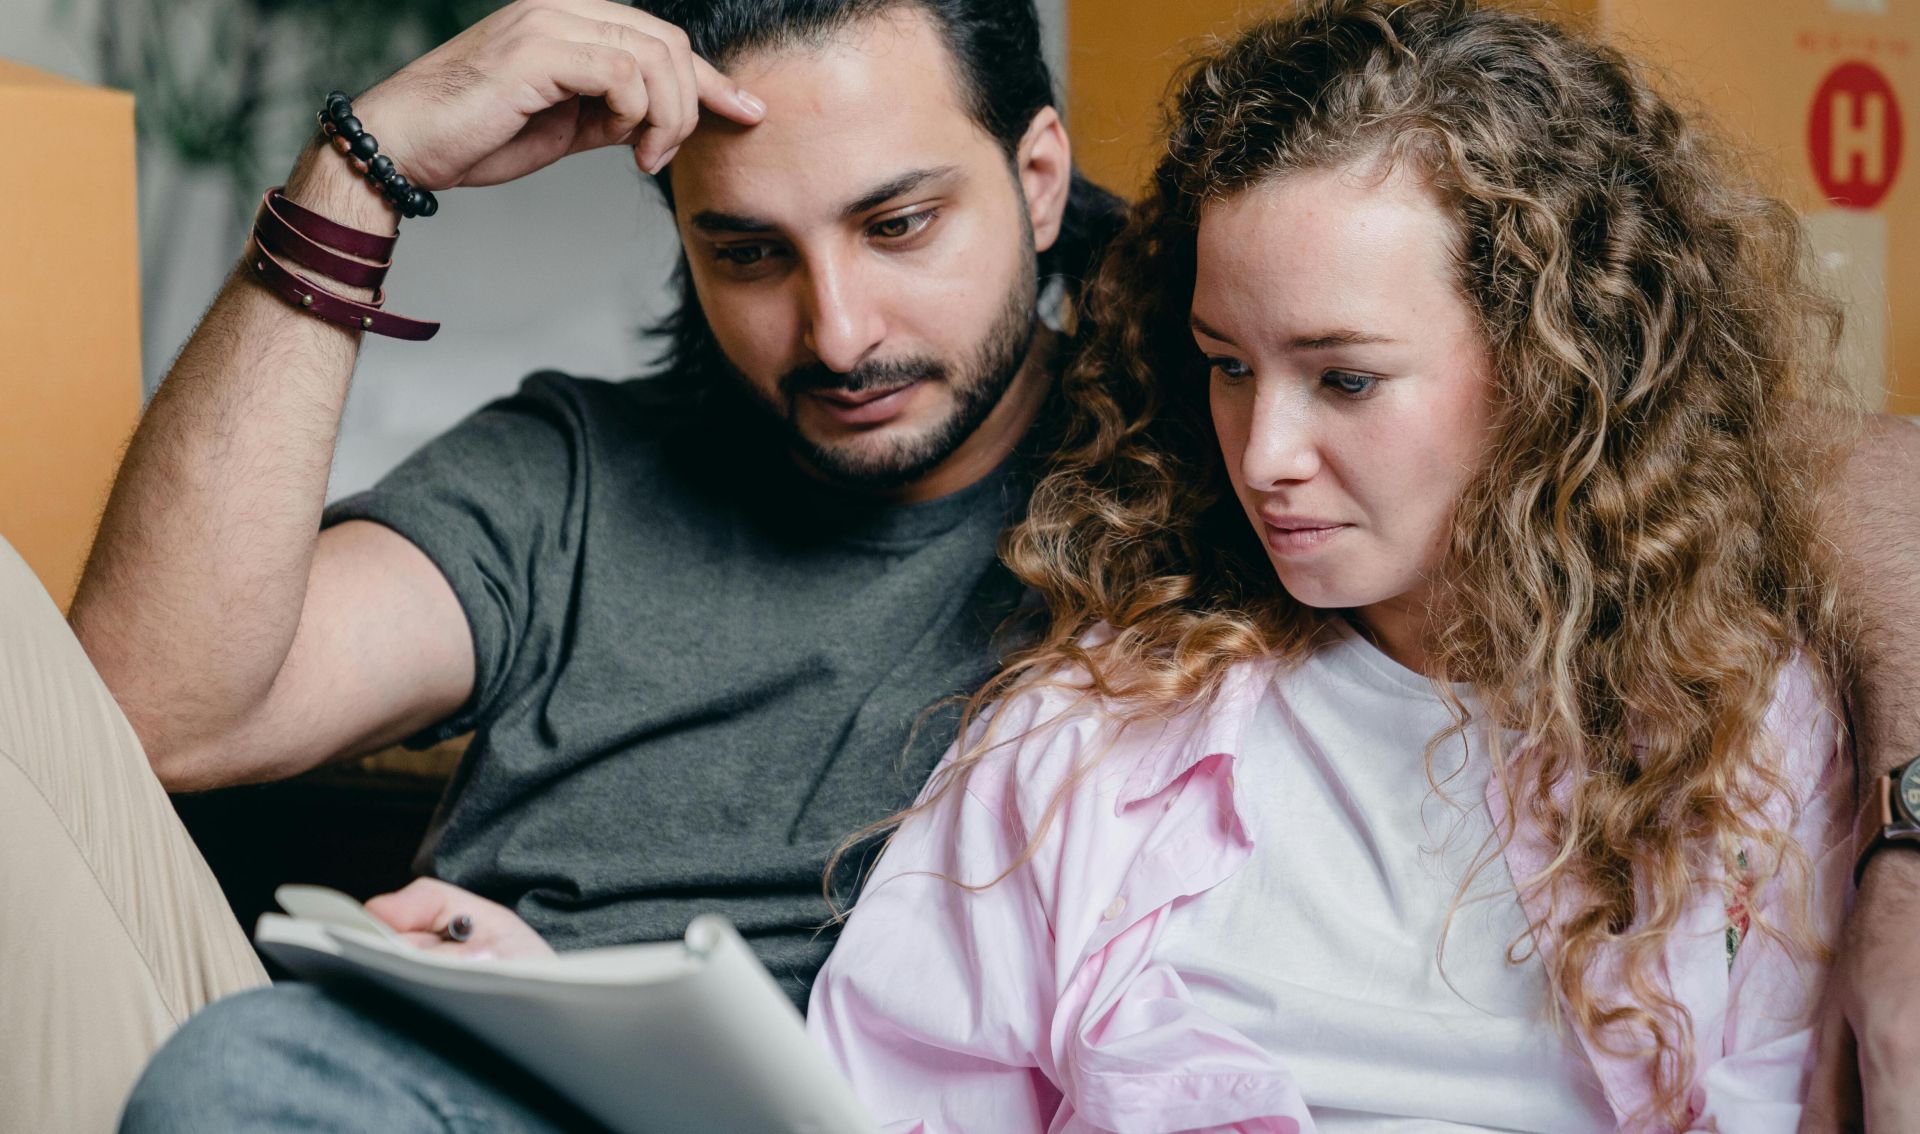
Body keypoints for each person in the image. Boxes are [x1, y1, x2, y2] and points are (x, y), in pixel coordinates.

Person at [0, 0, 1903, 1130]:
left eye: (901, 221)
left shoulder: (1201, 416)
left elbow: (1783, 466)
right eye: (747, 250)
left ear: (1044, 178)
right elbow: (157, 709)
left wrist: (1907, 838)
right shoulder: (585, 470)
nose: (836, 327)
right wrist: (361, 169)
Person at [804, 2, 1872, 1130]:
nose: (1264, 456)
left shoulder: (1754, 747)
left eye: (1346, 379)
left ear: (1552, 367)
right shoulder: (1081, 744)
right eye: (1228, 365)